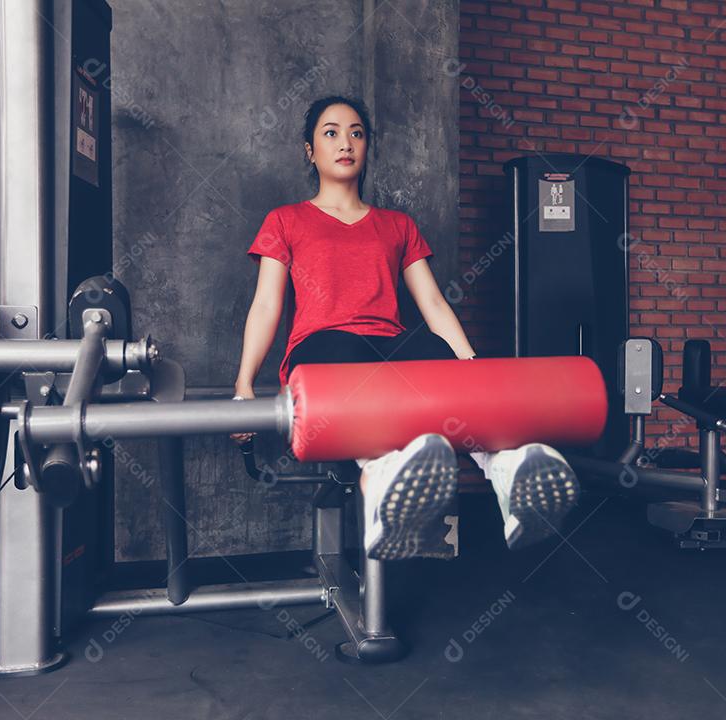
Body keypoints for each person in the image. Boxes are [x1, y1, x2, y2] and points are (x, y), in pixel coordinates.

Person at [232, 95, 578, 560]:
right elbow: (267, 304)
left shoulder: (396, 226)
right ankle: (382, 483)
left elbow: (433, 303)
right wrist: (244, 383)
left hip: (389, 349)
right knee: (351, 358)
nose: (345, 143)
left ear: (367, 146)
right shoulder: (286, 220)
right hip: (323, 354)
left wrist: (469, 369)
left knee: (434, 352)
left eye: (357, 133)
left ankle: (509, 473)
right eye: (331, 133)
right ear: (309, 151)